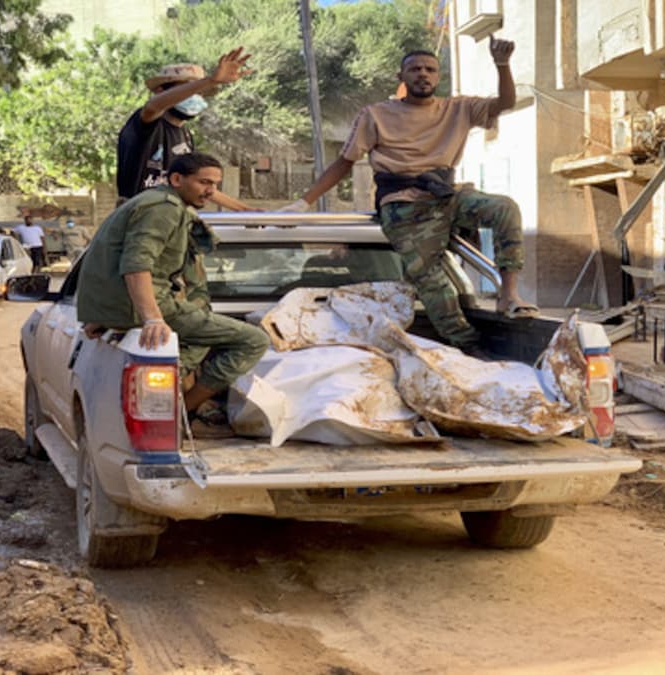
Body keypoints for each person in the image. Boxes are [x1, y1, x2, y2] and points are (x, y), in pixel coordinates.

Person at [281, 38, 538, 353]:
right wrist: (304, 202)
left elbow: (505, 103)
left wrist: (502, 65)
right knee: (434, 282)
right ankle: (468, 347)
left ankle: (508, 295)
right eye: (414, 69)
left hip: (446, 196)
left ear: (437, 77)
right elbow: (344, 163)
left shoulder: (456, 108)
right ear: (401, 77)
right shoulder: (375, 114)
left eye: (430, 69)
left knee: (504, 208)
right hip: (403, 205)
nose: (423, 74)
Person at [77, 153, 269, 435]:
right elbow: (136, 265)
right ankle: (182, 410)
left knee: (201, 334)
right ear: (177, 179)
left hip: (127, 306)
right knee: (254, 340)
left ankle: (174, 397)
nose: (211, 191)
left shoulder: (159, 202)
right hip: (147, 304)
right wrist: (152, 318)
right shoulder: (164, 209)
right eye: (204, 182)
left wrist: (244, 209)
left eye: (215, 185)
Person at [117, 48, 254, 211]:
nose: (194, 97)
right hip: (139, 214)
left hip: (170, 215)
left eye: (199, 92)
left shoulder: (186, 135)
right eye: (188, 89)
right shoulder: (147, 125)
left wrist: (246, 210)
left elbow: (203, 187)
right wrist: (210, 80)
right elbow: (153, 107)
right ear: (161, 91)